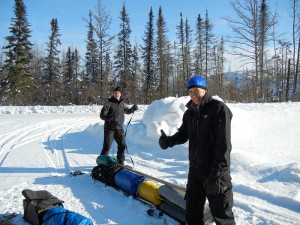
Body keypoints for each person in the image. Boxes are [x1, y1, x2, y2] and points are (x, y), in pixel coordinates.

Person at [159, 76, 236, 225]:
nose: (194, 95)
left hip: (216, 172)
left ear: (205, 90)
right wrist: (168, 141)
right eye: (191, 92)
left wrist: (217, 173)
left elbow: (224, 145)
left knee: (222, 216)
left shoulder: (218, 108)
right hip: (195, 171)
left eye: (197, 91)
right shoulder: (190, 113)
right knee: (192, 213)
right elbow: (183, 134)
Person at [100, 87, 138, 165]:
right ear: (113, 94)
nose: (117, 94)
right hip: (109, 128)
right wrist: (110, 117)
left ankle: (120, 162)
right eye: (115, 93)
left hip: (119, 128)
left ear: (120, 94)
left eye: (118, 93)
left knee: (122, 145)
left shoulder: (122, 103)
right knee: (107, 147)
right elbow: (102, 115)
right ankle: (102, 163)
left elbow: (126, 111)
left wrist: (133, 109)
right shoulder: (109, 102)